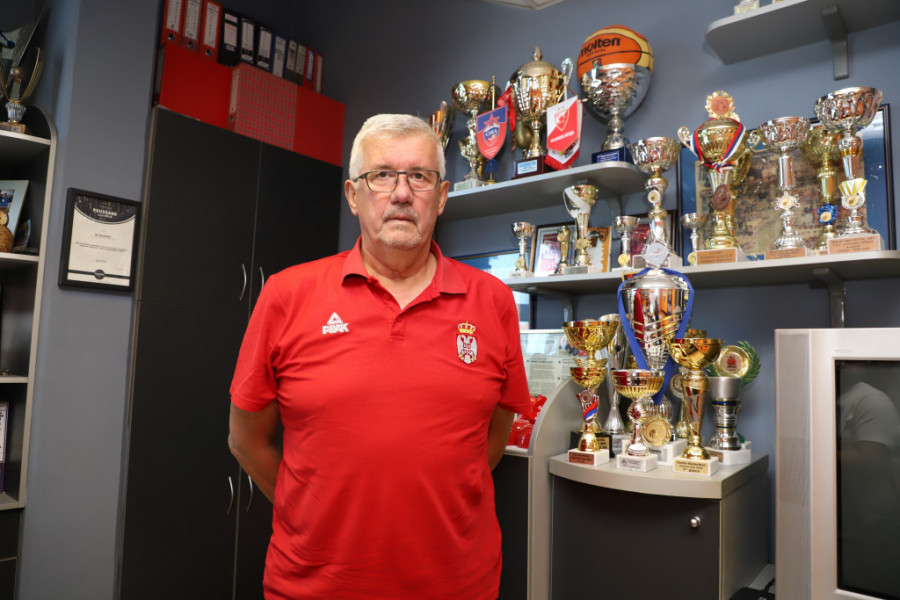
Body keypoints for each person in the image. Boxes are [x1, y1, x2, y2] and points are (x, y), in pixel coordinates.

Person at [228, 113, 532, 600]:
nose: (402, 193)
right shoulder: (287, 294)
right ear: (353, 195)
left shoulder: (492, 301)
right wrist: (308, 512)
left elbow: (490, 438)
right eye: (382, 175)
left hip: (457, 585)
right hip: (314, 587)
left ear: (442, 196)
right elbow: (247, 440)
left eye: (420, 176)